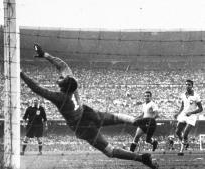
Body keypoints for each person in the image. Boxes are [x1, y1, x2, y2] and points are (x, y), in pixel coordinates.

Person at [20, 44, 158, 169]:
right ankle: (136, 121)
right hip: (89, 113)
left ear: (63, 86)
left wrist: (20, 73)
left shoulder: (60, 98)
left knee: (109, 151)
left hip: (82, 126)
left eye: (61, 79)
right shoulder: (72, 86)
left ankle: (142, 158)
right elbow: (62, 66)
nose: (60, 78)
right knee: (117, 117)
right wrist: (45, 55)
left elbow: (37, 88)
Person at [174, 79, 203, 156]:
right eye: (186, 84)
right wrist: (178, 113)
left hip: (191, 116)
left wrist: (191, 112)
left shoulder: (196, 96)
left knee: (185, 134)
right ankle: (185, 143)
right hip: (184, 114)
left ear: (192, 86)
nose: (187, 86)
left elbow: (201, 109)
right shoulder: (183, 95)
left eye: (189, 84)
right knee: (177, 131)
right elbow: (182, 106)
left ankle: (181, 151)